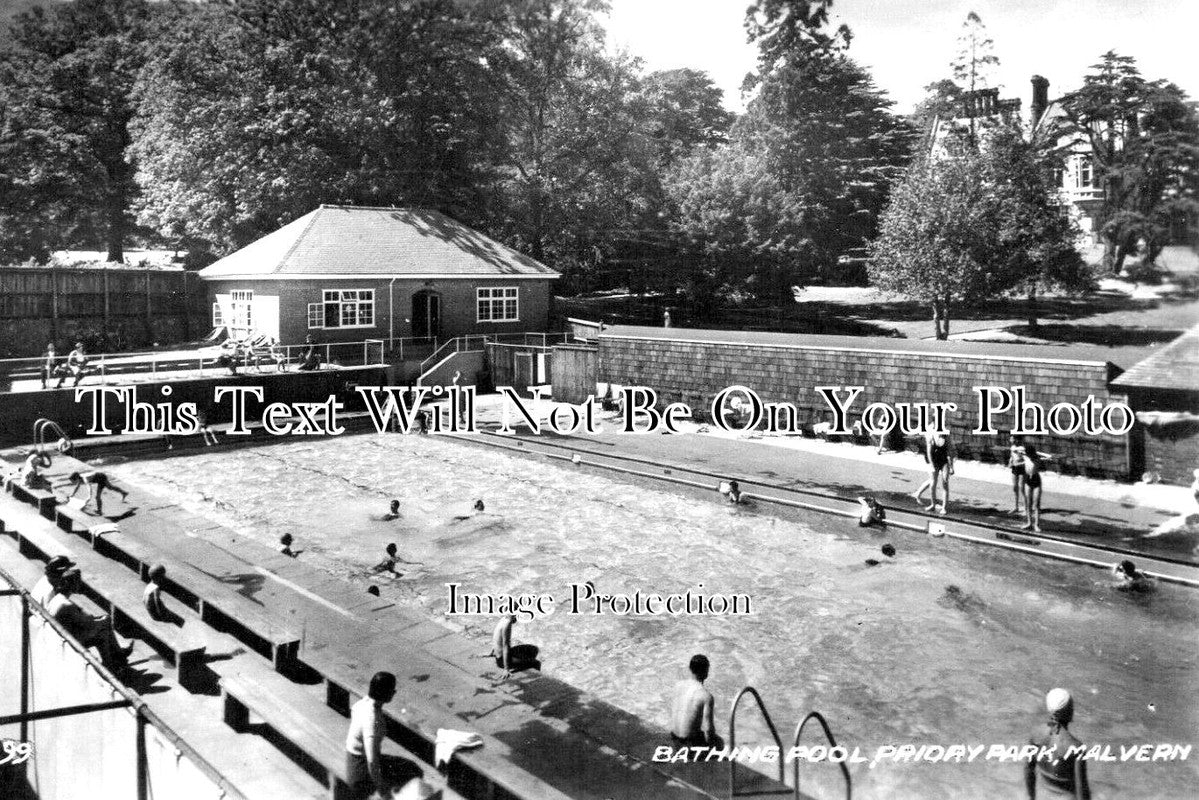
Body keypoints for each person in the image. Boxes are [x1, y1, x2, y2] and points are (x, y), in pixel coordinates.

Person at [46, 569, 133, 673]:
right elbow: (88, 624)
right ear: (72, 584)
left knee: (104, 629)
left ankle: (115, 659)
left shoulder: (57, 598)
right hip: (69, 640)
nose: (80, 585)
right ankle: (114, 661)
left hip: (63, 635)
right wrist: (103, 620)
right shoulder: (66, 604)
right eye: (78, 582)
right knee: (104, 630)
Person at [1024, 688, 1090, 800]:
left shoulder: (1036, 734)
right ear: (1070, 711)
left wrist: (1031, 797)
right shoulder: (1076, 747)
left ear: (1049, 709)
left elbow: (1028, 770)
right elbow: (1081, 788)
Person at [345, 671, 397, 800]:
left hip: (352, 758)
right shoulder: (372, 720)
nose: (394, 692)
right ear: (386, 693)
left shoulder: (362, 704)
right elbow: (372, 761)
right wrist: (384, 792)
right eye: (392, 690)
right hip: (359, 772)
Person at [670, 654, 721, 748]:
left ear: (690, 669)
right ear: (706, 672)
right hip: (689, 746)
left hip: (673, 738)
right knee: (719, 741)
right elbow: (708, 730)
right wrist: (712, 746)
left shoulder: (677, 685)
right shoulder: (706, 696)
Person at [65, 471, 129, 515]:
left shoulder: (84, 479)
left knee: (109, 488)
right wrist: (72, 494)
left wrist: (89, 497)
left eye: (72, 481)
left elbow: (89, 488)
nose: (72, 482)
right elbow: (77, 487)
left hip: (101, 477)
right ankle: (124, 493)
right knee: (107, 489)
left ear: (76, 478)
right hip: (98, 479)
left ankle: (99, 511)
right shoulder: (80, 478)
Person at [1020, 445, 1051, 533]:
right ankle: (1029, 522)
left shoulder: (1038, 458)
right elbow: (1019, 450)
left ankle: (1036, 524)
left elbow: (1049, 456)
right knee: (1028, 503)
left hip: (1036, 479)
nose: (1029, 455)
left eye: (1030, 454)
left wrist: (1037, 453)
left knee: (1036, 504)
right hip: (1027, 480)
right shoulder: (1025, 456)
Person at [1008, 437, 1027, 514]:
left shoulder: (1022, 448)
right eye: (1011, 439)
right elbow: (1012, 456)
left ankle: (1026, 508)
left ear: (1017, 439)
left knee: (1022, 488)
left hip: (1022, 469)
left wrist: (1019, 463)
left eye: (1012, 439)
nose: (1011, 440)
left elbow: (1027, 459)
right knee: (1015, 487)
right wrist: (1010, 462)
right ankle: (1016, 507)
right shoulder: (1012, 447)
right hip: (1014, 468)